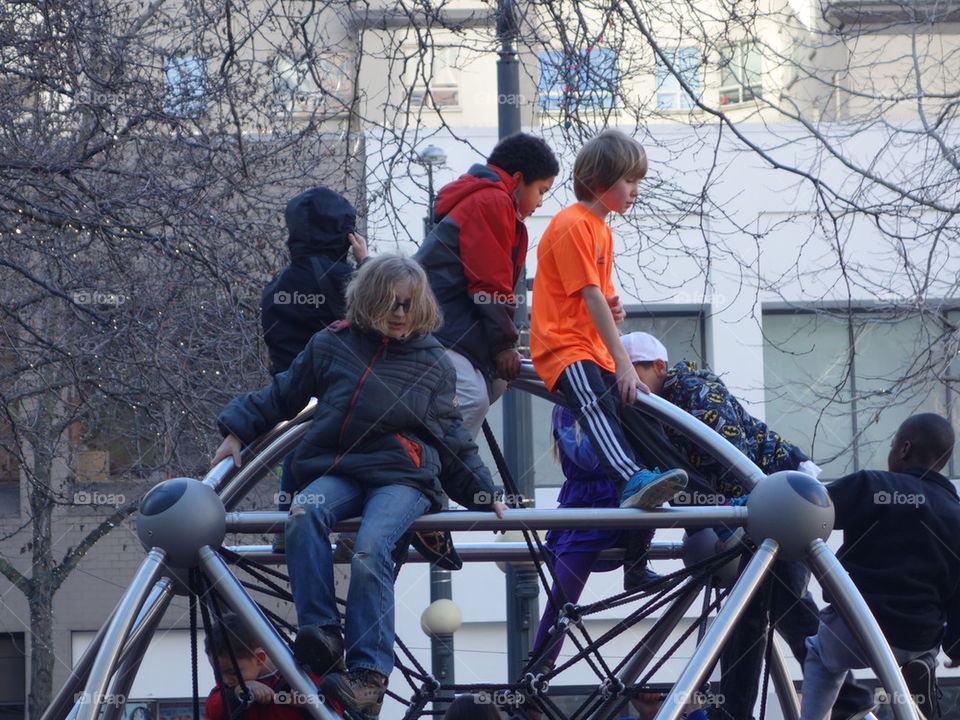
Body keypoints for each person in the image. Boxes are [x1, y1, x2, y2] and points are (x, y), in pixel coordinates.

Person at [213, 255, 507, 717]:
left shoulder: (431, 360)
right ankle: (322, 632)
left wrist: (482, 491)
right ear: (368, 301)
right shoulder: (331, 345)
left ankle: (368, 674)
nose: (399, 314)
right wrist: (237, 430)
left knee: (372, 546)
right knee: (305, 511)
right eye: (389, 303)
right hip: (342, 467)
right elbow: (283, 394)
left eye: (408, 305)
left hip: (403, 476)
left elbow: (451, 436)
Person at [620, 331, 875, 720]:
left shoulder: (692, 388)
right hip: (761, 503)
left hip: (780, 499)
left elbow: (731, 453)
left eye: (634, 370)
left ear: (658, 367)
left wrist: (734, 521)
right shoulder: (657, 410)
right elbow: (686, 476)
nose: (629, 380)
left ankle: (843, 696)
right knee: (751, 609)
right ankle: (737, 709)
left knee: (781, 597)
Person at [529, 129, 688, 512]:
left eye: (638, 182)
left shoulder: (601, 228)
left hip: (589, 346)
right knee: (595, 405)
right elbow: (591, 294)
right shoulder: (573, 223)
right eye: (629, 181)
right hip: (565, 346)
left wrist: (611, 314)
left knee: (634, 415)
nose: (636, 190)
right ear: (600, 181)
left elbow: (597, 295)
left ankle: (673, 487)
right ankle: (631, 478)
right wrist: (623, 362)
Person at [799, 413, 960, 720]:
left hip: (857, 626)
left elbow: (811, 506)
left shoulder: (873, 486)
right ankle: (921, 664)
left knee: (820, 655)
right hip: (916, 634)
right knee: (919, 651)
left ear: (903, 449)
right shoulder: (955, 513)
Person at [415, 132, 559, 440]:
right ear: (519, 179)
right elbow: (489, 284)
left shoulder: (485, 199)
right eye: (541, 190)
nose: (541, 201)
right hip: (436, 327)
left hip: (443, 325)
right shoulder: (492, 201)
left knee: (493, 383)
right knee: (471, 397)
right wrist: (505, 346)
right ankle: (427, 476)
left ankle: (430, 459)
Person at [529, 405, 660, 675]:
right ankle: (539, 667)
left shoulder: (619, 399)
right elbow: (586, 458)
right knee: (563, 597)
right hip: (586, 504)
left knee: (650, 494)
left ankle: (636, 565)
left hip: (621, 494)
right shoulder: (567, 408)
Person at [260, 186, 367, 376]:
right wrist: (366, 264)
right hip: (339, 391)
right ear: (347, 235)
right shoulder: (348, 281)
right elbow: (387, 311)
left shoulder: (275, 287)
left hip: (288, 394)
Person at [203, 612, 327, 720]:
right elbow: (212, 712)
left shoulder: (299, 671)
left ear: (259, 659)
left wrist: (308, 700)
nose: (225, 680)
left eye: (233, 672)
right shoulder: (232, 685)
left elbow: (334, 704)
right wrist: (236, 693)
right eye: (219, 673)